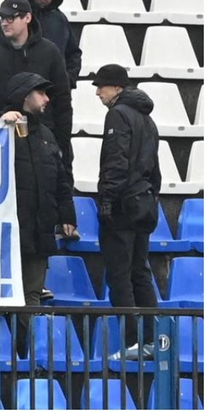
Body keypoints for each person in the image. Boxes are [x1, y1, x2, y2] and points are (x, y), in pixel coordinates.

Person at [0, 72, 76, 352]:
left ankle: (23, 356)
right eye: (41, 93)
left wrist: (67, 215)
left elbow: (60, 180)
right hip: (5, 236)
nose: (47, 99)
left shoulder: (46, 136)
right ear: (24, 95)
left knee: (31, 296)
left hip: (38, 233)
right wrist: (0, 120)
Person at [93, 64, 162, 360]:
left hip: (123, 205)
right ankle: (152, 340)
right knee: (140, 273)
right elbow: (155, 169)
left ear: (117, 88)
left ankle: (133, 341)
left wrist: (107, 200)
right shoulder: (147, 119)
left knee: (120, 276)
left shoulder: (118, 114)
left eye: (101, 86)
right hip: (145, 202)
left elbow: (116, 161)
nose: (98, 92)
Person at [0, 0, 74, 167]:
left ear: (27, 18)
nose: (4, 23)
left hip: (41, 141)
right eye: (2, 18)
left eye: (11, 17)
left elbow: (62, 102)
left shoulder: (50, 52)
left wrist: (60, 144)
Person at [7, 0, 83, 85]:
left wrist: (67, 80)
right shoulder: (13, 17)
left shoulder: (60, 19)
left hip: (55, 92)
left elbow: (73, 54)